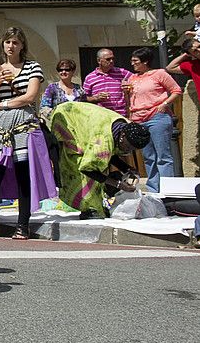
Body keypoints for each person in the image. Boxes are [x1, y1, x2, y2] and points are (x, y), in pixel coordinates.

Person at [0, 27, 45, 239]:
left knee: (23, 176)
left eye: (15, 42)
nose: (11, 46)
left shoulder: (32, 67)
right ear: (3, 45)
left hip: (22, 123)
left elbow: (30, 97)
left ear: (22, 45)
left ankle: (22, 226)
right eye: (8, 42)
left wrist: (4, 104)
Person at [48, 101, 150, 218]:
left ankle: (97, 205)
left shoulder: (125, 127)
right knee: (77, 167)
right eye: (129, 147)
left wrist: (128, 169)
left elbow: (111, 152)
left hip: (83, 118)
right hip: (66, 119)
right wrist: (118, 184)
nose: (129, 151)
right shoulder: (102, 141)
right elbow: (87, 169)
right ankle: (88, 208)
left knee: (99, 164)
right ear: (122, 137)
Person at [125, 47, 181, 193]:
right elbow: (129, 100)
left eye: (135, 61)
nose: (133, 64)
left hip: (157, 117)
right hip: (138, 119)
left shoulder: (159, 74)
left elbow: (176, 90)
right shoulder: (132, 78)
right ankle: (154, 190)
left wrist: (165, 104)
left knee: (163, 156)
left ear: (145, 61)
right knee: (148, 156)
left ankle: (168, 190)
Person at [82, 48, 132, 117]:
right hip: (101, 117)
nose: (111, 61)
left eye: (113, 59)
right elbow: (84, 98)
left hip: (121, 116)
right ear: (99, 61)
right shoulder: (90, 78)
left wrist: (129, 86)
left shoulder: (122, 72)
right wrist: (96, 98)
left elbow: (137, 80)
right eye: (108, 59)